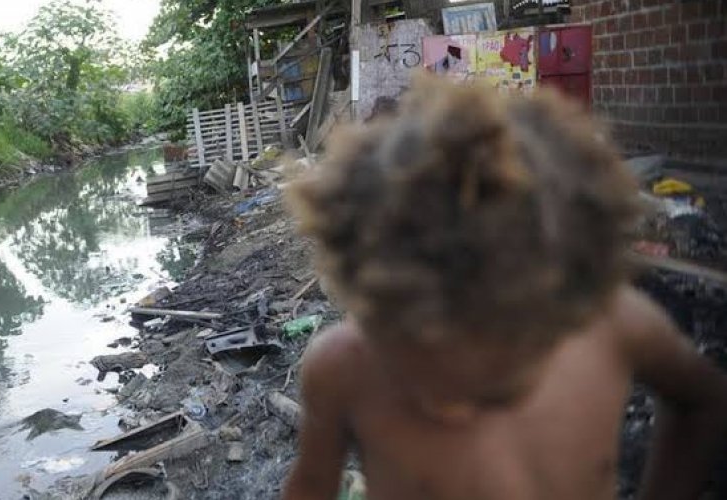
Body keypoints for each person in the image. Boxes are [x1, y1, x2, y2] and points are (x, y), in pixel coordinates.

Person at [282, 75, 727, 500]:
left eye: (499, 377)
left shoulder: (612, 323)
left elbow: (701, 400)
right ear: (371, 307)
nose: (451, 411)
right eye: (422, 362)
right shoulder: (342, 367)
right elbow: (310, 488)